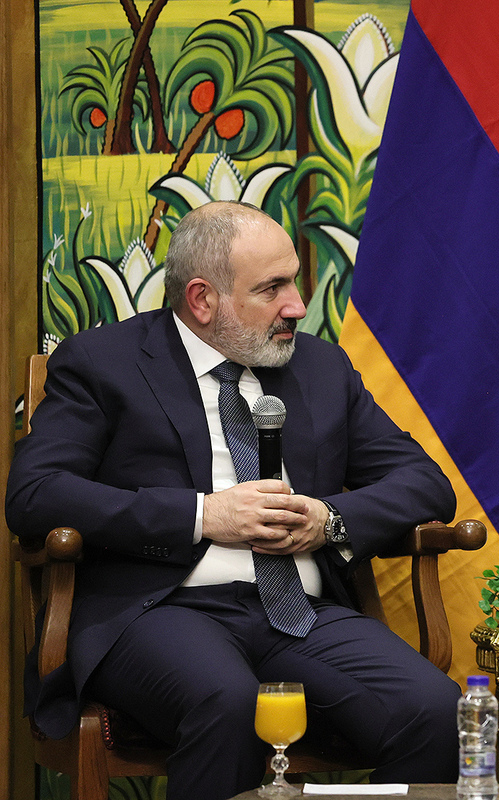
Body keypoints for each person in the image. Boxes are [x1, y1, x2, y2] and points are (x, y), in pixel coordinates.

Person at [7, 201, 462, 800]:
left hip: (300, 612)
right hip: (160, 609)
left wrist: (330, 520)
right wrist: (203, 515)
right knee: (227, 701)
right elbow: (36, 493)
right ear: (202, 299)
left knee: (434, 707)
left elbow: (426, 483)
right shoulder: (102, 363)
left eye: (293, 281)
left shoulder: (321, 367)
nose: (297, 305)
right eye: (272, 288)